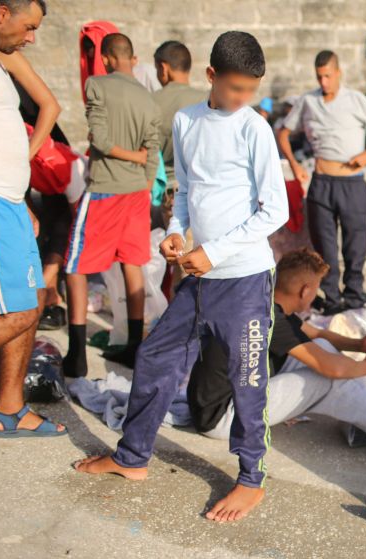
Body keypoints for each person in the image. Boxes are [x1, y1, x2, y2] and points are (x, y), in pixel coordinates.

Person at [74, 31, 289, 524]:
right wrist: (175, 231)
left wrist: (213, 252)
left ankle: (250, 479)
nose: (243, 98)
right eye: (235, 88)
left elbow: (274, 209)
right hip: (197, 276)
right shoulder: (186, 120)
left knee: (247, 379)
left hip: (244, 278)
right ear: (211, 76)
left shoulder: (254, 128)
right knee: (155, 357)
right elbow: (187, 190)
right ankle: (132, 456)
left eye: (251, 90)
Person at [189, 248, 366, 466]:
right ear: (305, 291)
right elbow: (333, 369)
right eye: (316, 289)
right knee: (330, 380)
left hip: (229, 399)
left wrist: (360, 345)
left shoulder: (265, 304)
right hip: (224, 418)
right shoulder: (269, 318)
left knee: (321, 347)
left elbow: (317, 334)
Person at [0, 0, 66, 439]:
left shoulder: (3, 57)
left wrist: (21, 172)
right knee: (17, 314)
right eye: (28, 26)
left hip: (12, 201)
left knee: (34, 302)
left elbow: (50, 106)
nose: (31, 37)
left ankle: (9, 409)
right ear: (2, 13)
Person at [63, 33, 160, 377]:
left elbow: (101, 141)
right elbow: (152, 152)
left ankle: (76, 353)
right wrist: (143, 183)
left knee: (75, 266)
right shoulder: (148, 98)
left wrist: (132, 156)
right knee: (132, 265)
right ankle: (134, 346)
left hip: (104, 189)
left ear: (105, 58)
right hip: (136, 193)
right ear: (132, 58)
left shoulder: (96, 85)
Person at [278, 50, 366, 315]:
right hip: (321, 182)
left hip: (352, 182)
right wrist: (295, 166)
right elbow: (283, 134)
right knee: (325, 249)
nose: (324, 82)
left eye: (328, 76)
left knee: (355, 247)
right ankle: (330, 300)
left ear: (338, 73)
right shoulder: (308, 101)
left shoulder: (356, 99)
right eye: (319, 77)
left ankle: (354, 298)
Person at [5, 48, 65, 331]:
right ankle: (45, 293)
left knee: (56, 226)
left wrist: (25, 157)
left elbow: (50, 106)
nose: (31, 39)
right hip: (23, 174)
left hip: (38, 166)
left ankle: (47, 293)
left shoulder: (8, 60)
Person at [151, 40, 205, 224]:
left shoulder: (151, 101)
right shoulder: (208, 101)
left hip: (167, 196)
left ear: (163, 68)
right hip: (204, 193)